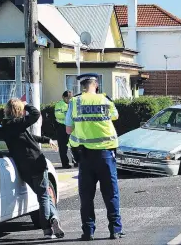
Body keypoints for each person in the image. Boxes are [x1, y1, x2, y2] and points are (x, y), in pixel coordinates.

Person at [65, 73, 125, 241]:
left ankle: (88, 231)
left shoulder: (75, 102)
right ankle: (115, 230)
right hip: (106, 154)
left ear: (81, 86)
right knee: (111, 193)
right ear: (96, 84)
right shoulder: (105, 100)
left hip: (84, 156)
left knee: (86, 196)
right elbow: (116, 116)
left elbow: (68, 130)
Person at [0, 98, 65, 239]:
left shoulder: (6, 127)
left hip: (23, 168)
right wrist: (26, 105)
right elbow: (36, 114)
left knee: (43, 196)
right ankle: (47, 229)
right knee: (44, 197)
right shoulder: (17, 123)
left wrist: (46, 140)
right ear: (18, 110)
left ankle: (53, 219)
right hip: (36, 163)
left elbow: (28, 137)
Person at [54, 90, 77, 168]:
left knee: (74, 144)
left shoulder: (74, 103)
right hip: (61, 126)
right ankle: (65, 163)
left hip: (72, 126)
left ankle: (76, 161)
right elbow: (58, 115)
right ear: (63, 97)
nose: (68, 100)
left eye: (70, 98)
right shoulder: (59, 104)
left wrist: (67, 114)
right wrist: (68, 114)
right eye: (67, 98)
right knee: (63, 146)